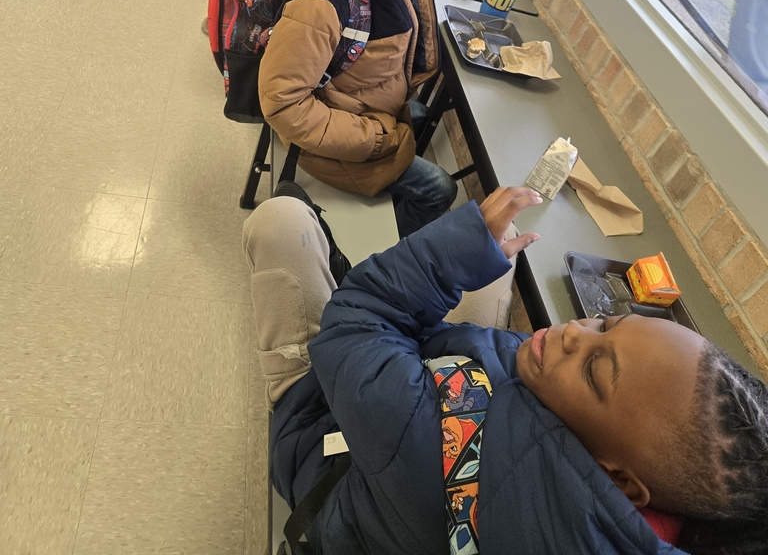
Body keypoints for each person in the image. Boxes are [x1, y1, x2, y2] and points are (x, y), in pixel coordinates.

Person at [243, 187, 768, 555]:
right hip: (440, 398)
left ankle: (297, 372)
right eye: (605, 324)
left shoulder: (421, 438)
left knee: (282, 221)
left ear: (620, 480)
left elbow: (356, 317)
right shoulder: (637, 492)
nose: (573, 332)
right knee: (501, 252)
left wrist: (444, 261)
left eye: (594, 367)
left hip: (324, 423)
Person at [256, 0, 457, 238]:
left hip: (360, 104)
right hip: (331, 137)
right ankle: (379, 261)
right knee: (440, 189)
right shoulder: (321, 4)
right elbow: (283, 105)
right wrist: (375, 139)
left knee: (423, 116)